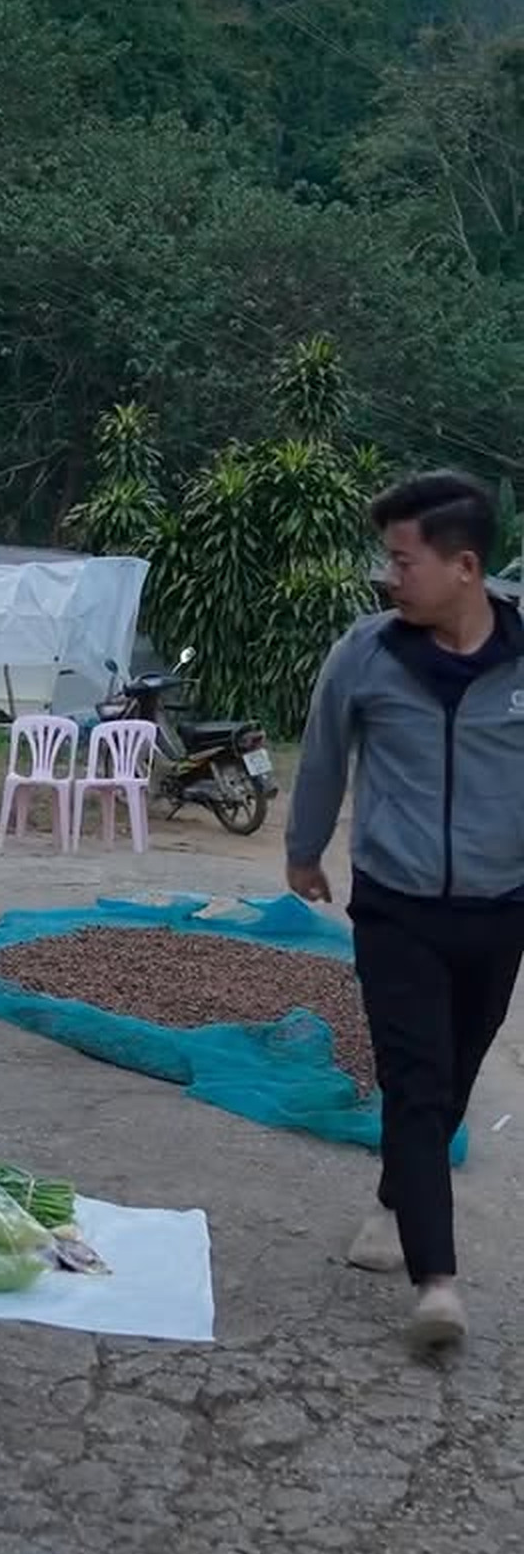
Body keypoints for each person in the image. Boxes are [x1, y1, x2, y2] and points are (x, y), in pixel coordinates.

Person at [286, 469, 524, 1350]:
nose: (389, 577)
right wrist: (305, 848)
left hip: (501, 907)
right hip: (397, 906)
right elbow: (322, 753)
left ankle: (396, 1198)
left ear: (465, 567)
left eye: (403, 560)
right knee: (416, 1079)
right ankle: (439, 1282)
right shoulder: (367, 652)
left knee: (456, 1074)